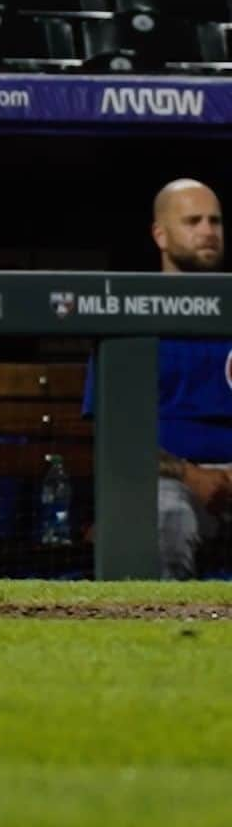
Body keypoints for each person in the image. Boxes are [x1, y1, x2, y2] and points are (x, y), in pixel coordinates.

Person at [140, 179, 232, 580]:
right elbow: (117, 434)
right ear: (160, 234)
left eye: (215, 221)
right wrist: (191, 474)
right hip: (170, 480)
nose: (208, 230)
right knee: (167, 517)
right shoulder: (132, 315)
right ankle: (166, 637)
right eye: (193, 221)